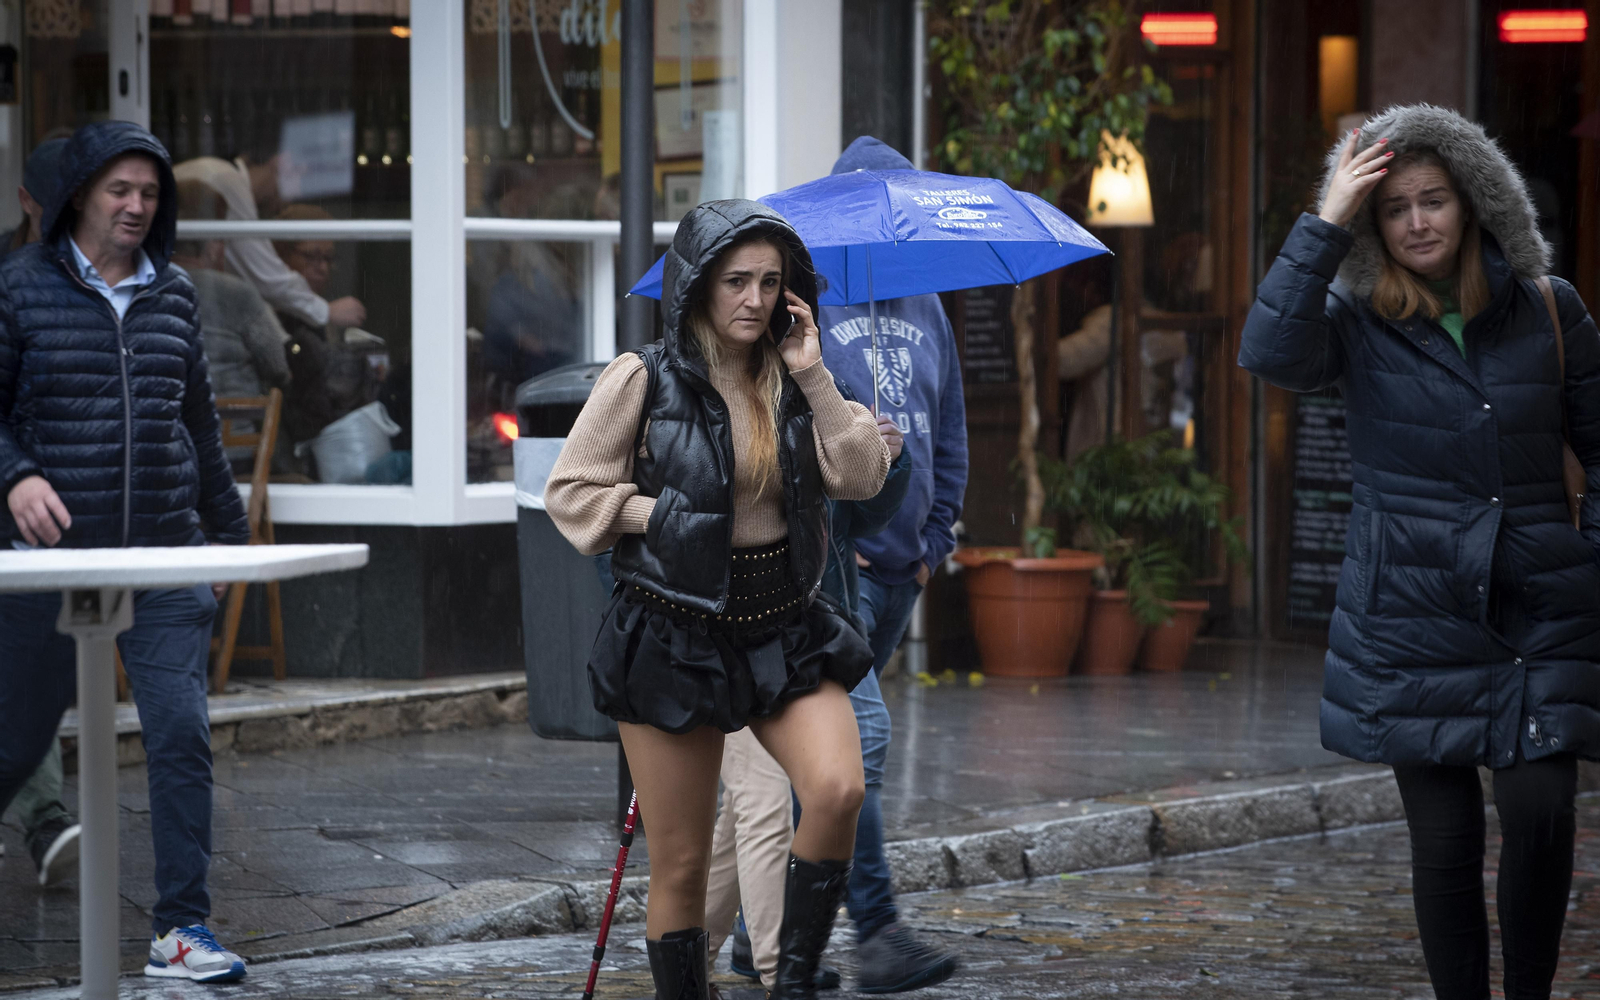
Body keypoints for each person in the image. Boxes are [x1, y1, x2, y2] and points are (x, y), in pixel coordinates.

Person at [1239, 104, 1600, 1000]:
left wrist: (1588, 558)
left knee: (1541, 813)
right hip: (1411, 614)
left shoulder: (1549, 310)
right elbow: (1268, 350)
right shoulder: (1356, 321)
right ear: (1374, 226)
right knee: (1445, 846)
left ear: (1474, 204)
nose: (1417, 223)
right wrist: (1325, 219)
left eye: (1433, 200)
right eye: (1394, 209)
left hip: (1538, 612)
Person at [545, 199, 890, 1000]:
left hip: (782, 620)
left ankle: (792, 985)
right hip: (675, 629)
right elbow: (570, 493)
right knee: (685, 863)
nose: (755, 299)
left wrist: (813, 371)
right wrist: (658, 516)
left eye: (771, 282)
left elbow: (861, 477)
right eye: (737, 280)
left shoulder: (794, 374)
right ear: (698, 286)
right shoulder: (644, 376)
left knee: (838, 787)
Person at [0, 121, 250, 983]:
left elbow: (200, 429)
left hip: (165, 557)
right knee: (10, 743)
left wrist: (228, 545)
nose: (137, 206)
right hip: (51, 563)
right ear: (80, 195)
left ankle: (182, 929)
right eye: (120, 191)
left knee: (181, 735)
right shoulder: (18, 289)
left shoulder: (175, 293)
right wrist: (15, 478)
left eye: (150, 193)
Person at [816, 136, 967, 992]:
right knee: (851, 751)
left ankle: (762, 932)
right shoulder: (808, 299)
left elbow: (950, 429)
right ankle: (873, 931)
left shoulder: (928, 302)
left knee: (824, 760)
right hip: (839, 573)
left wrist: (934, 540)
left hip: (902, 571)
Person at [704, 416, 911, 993]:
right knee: (764, 799)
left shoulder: (811, 398)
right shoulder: (677, 392)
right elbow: (613, 532)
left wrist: (890, 461)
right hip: (715, 641)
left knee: (743, 812)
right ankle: (777, 966)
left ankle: (701, 958)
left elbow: (866, 511)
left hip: (795, 644)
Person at [0, 134, 81, 887]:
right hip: (17, 483)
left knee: (32, 652)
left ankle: (44, 814)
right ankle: (44, 817)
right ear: (28, 203)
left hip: (52, 496)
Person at [172, 153, 366, 332]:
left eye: (328, 258)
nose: (296, 193)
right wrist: (325, 311)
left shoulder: (216, 172)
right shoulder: (226, 179)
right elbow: (265, 275)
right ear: (282, 162)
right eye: (311, 256)